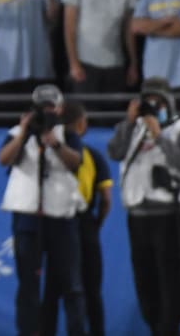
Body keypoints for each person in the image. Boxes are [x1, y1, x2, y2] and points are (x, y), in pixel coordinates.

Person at [0, 84, 86, 336]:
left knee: (71, 286)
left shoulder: (68, 135)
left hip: (62, 218)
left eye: (51, 107)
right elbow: (4, 159)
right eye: (43, 107)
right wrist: (25, 132)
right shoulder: (18, 132)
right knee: (28, 285)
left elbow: (75, 162)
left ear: (60, 109)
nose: (48, 112)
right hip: (27, 218)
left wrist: (55, 144)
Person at [107, 77, 180, 335]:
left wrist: (159, 134)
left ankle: (168, 329)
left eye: (158, 101)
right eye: (147, 101)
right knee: (144, 279)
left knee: (169, 279)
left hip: (167, 215)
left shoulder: (178, 128)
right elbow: (114, 152)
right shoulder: (132, 128)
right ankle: (154, 326)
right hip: (137, 214)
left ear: (168, 102)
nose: (152, 106)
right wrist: (130, 122)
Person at [43, 101, 112, 336]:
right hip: (84, 224)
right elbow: (106, 199)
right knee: (90, 291)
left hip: (54, 224)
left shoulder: (48, 150)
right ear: (82, 124)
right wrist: (95, 224)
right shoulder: (92, 156)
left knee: (53, 291)